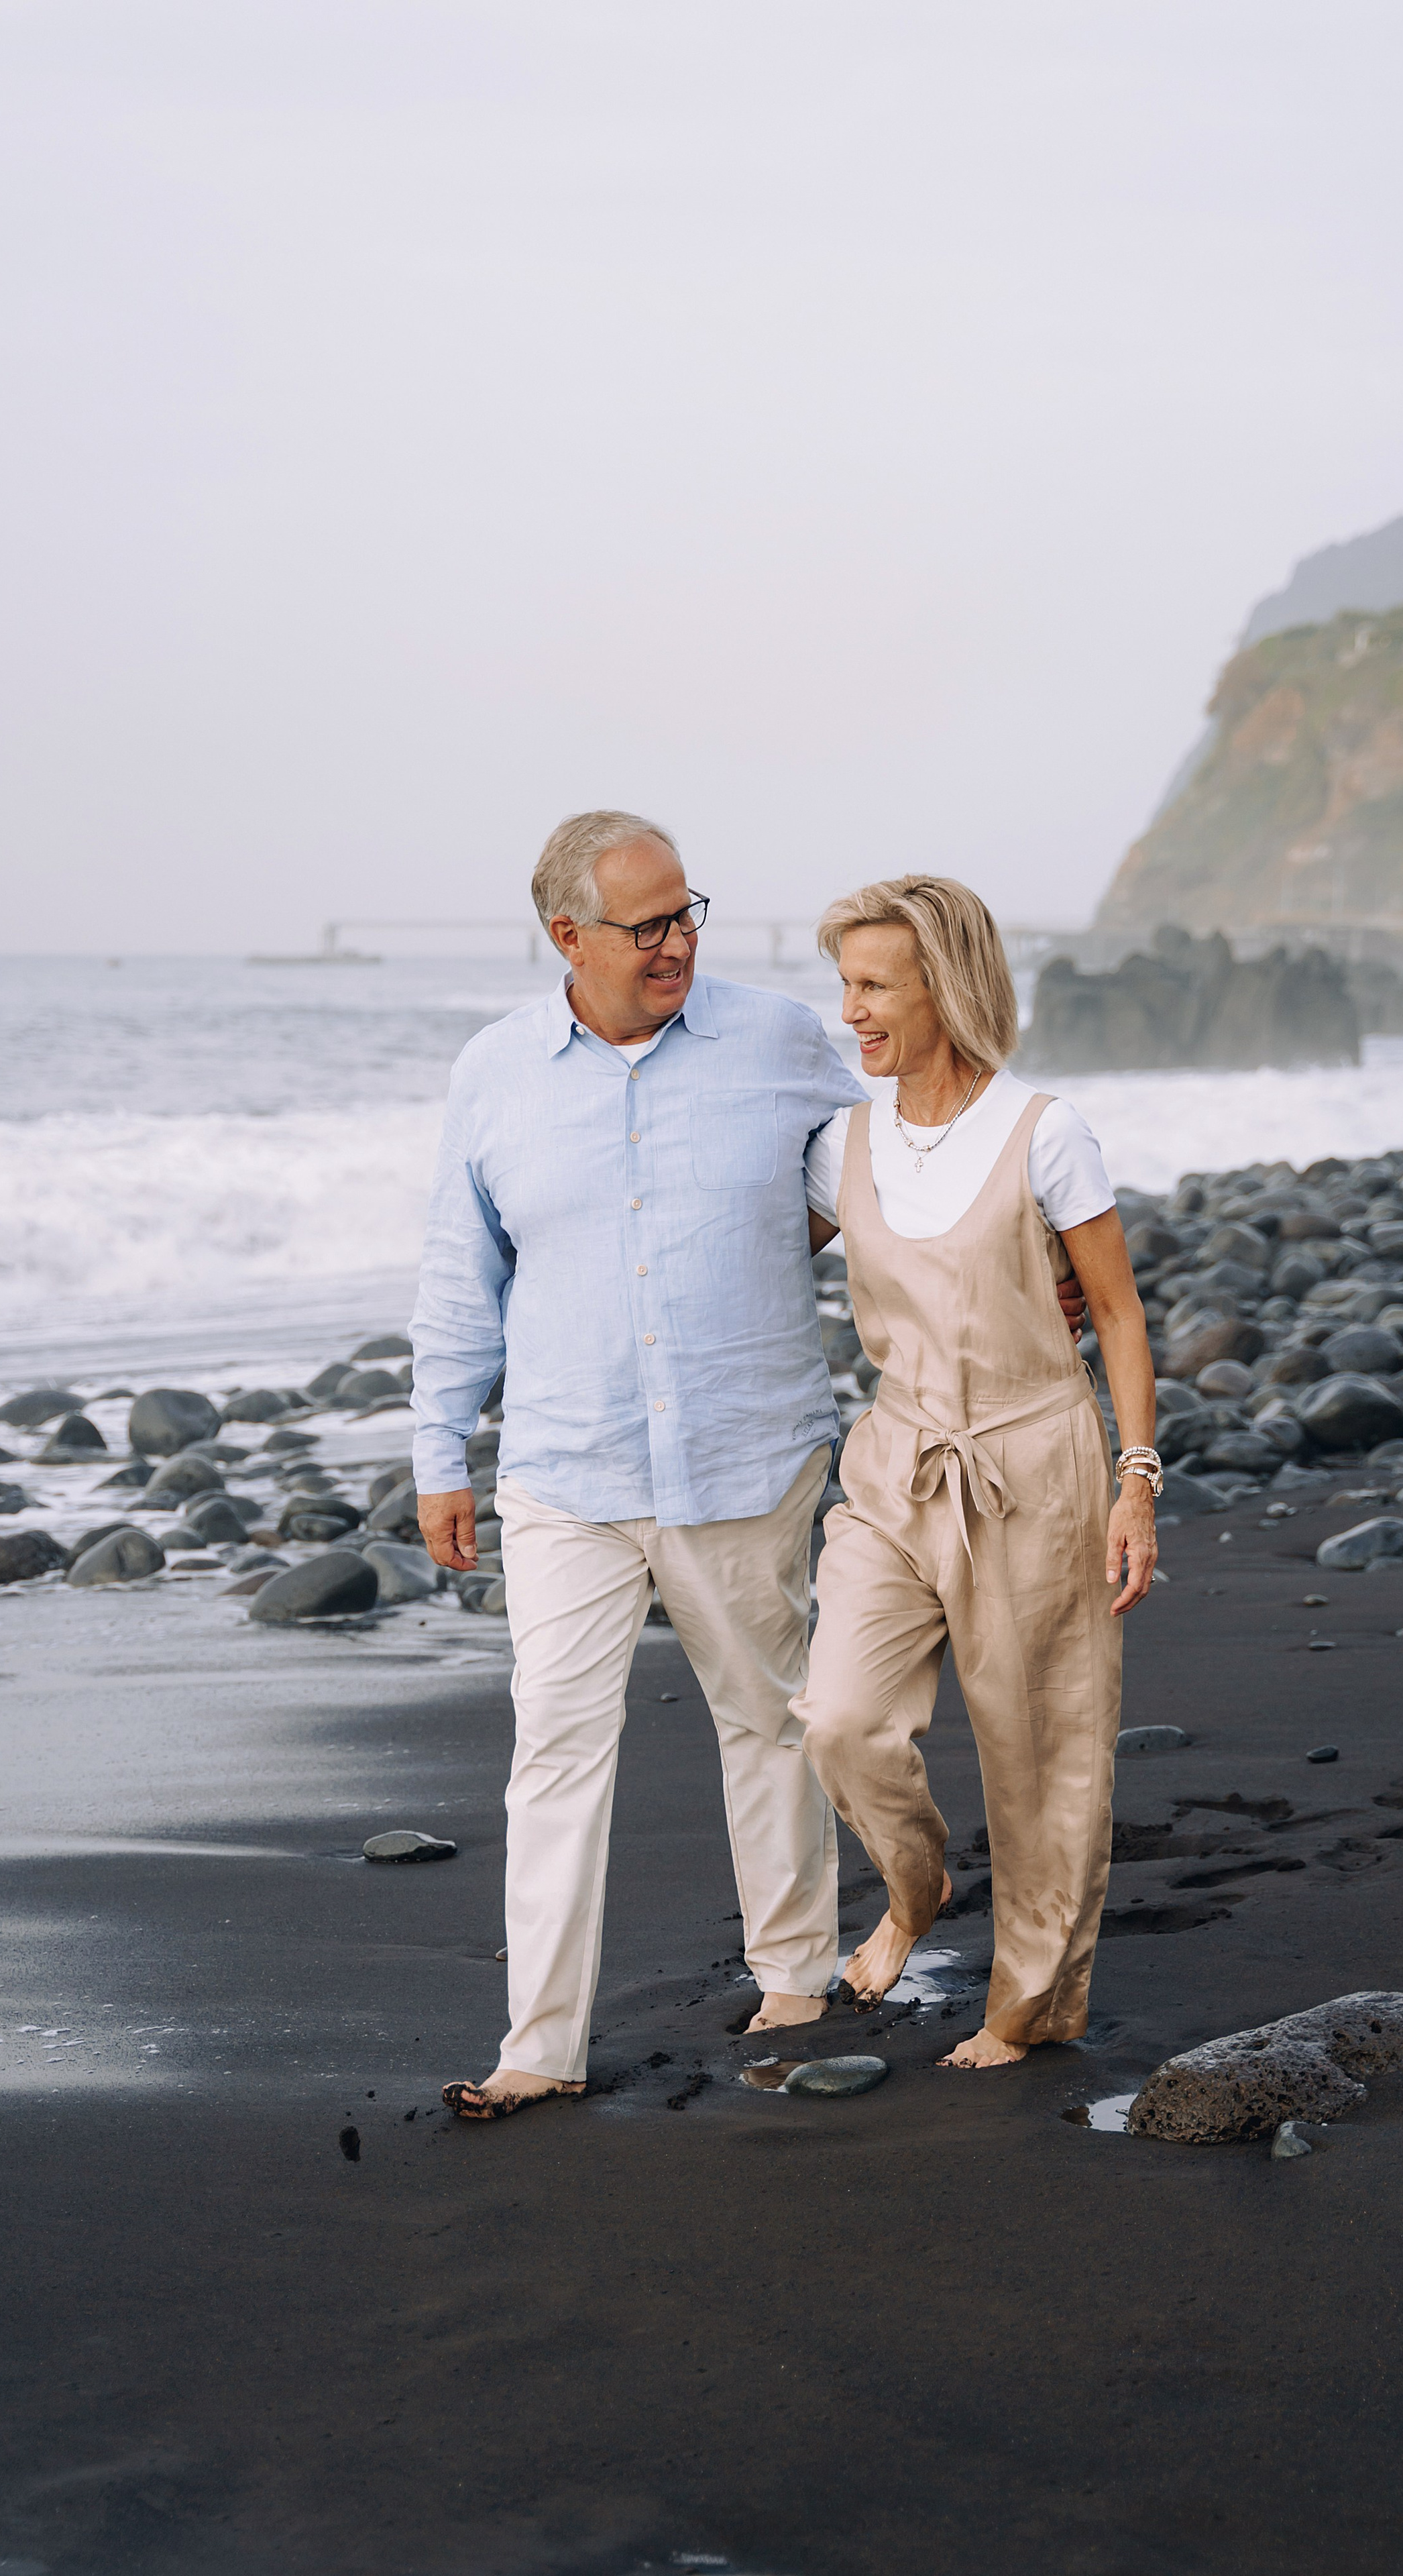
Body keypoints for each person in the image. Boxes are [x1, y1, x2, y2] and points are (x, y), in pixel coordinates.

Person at [411, 812, 865, 2118]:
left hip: (745, 1446)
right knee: (552, 1747)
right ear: (567, 936)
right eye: (648, 923)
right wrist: (439, 1449)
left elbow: (878, 1180)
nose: (678, 942)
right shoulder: (494, 1071)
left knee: (769, 1721)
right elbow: (462, 1269)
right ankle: (538, 2048)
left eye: (687, 913)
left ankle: (793, 1976)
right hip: (566, 1465)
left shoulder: (776, 1038)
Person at [792, 873, 1160, 2070]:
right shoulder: (837, 1147)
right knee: (841, 1718)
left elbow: (1115, 1313)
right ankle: (917, 1888)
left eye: (871, 985)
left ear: (943, 988)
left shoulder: (1045, 1131)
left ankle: (1029, 2008)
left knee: (1043, 1745)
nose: (850, 1011)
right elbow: (732, 1266)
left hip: (1036, 1457)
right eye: (843, 983)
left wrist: (1137, 1481)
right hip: (898, 1458)